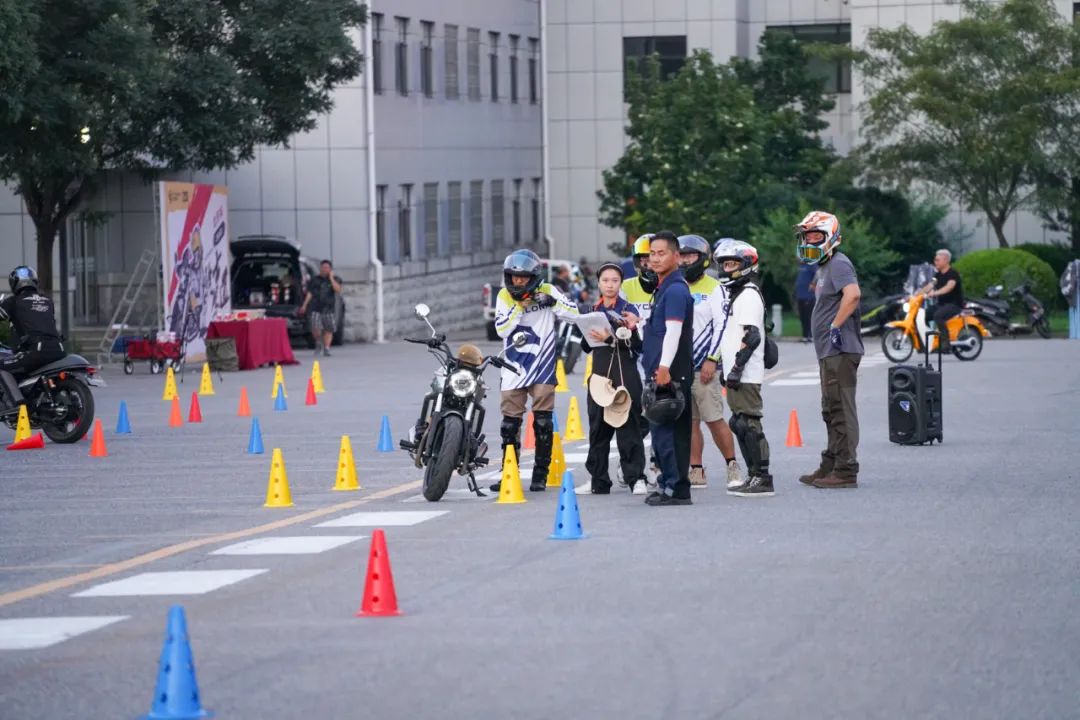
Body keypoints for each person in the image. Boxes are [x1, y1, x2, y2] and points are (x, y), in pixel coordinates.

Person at [490, 249, 579, 493]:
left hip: (542, 363)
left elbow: (574, 314)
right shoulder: (504, 297)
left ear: (535, 277)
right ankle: (509, 471)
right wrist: (520, 306)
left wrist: (552, 303)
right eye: (514, 277)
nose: (518, 282)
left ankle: (541, 472)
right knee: (509, 423)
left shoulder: (549, 290)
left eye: (524, 277)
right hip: (514, 365)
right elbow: (502, 330)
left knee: (542, 420)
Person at [795, 211, 864, 489]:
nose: (810, 240)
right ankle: (830, 463)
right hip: (829, 351)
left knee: (841, 409)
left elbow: (853, 294)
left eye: (815, 235)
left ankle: (846, 470)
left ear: (830, 236)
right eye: (807, 236)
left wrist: (835, 325)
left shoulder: (839, 263)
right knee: (830, 409)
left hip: (840, 349)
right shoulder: (824, 266)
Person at [677, 234, 744, 490]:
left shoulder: (714, 288)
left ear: (702, 259)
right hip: (681, 368)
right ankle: (696, 469)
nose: (685, 261)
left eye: (690, 256)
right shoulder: (675, 286)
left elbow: (722, 325)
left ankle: (732, 465)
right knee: (690, 421)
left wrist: (711, 359)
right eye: (681, 256)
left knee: (714, 419)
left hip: (705, 366)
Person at [713, 240, 775, 497]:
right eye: (725, 264)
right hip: (734, 371)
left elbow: (752, 336)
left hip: (746, 372)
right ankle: (752, 475)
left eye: (733, 264)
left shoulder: (748, 294)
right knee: (738, 422)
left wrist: (737, 368)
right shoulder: (735, 293)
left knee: (750, 423)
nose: (727, 269)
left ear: (747, 265)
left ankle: (763, 477)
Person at [581, 263, 647, 494]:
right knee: (597, 429)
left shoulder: (628, 311)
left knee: (629, 427)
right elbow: (586, 347)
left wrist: (616, 335)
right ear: (598, 283)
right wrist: (586, 329)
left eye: (614, 280)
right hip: (600, 375)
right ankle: (598, 480)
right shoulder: (592, 309)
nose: (609, 285)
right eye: (605, 280)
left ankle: (636, 478)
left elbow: (638, 347)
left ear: (621, 283)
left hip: (625, 374)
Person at [639, 232, 694, 506]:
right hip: (663, 371)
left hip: (671, 373)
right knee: (662, 434)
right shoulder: (664, 288)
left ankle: (676, 488)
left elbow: (673, 331)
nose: (655, 258)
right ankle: (667, 484)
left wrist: (663, 367)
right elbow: (658, 330)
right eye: (652, 254)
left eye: (662, 253)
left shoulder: (675, 290)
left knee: (671, 435)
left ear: (676, 256)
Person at [0, 267, 65, 417]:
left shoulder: (13, 302)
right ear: (35, 281)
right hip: (58, 349)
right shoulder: (47, 301)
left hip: (36, 351)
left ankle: (16, 406)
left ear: (14, 283)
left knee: (2, 366)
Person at [917, 249, 964, 350]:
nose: (935, 262)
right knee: (921, 316)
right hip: (942, 304)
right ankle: (926, 343)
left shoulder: (953, 274)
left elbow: (949, 287)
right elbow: (930, 285)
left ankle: (946, 344)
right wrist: (915, 295)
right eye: (935, 260)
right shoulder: (938, 275)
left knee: (938, 316)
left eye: (937, 260)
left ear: (946, 260)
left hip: (954, 305)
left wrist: (935, 293)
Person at [299, 260, 341, 357]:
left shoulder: (335, 279)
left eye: (327, 268)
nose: (324, 269)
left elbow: (338, 290)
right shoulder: (314, 280)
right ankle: (318, 341)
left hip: (328, 308)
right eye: (323, 267)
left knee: (328, 329)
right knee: (315, 327)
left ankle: (326, 348)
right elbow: (310, 293)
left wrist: (331, 278)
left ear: (330, 269)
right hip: (315, 307)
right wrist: (304, 305)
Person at [795, 262, 817, 342]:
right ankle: (804, 336)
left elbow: (818, 274)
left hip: (808, 295)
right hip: (800, 295)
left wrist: (813, 283)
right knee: (802, 316)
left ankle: (810, 336)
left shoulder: (812, 265)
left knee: (809, 316)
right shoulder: (801, 266)